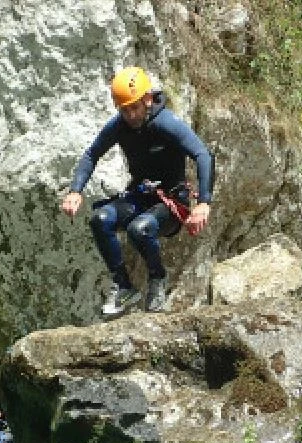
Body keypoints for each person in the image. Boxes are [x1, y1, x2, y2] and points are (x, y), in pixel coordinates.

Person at [60, 66, 214, 316]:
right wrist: (76, 190)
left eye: (135, 108)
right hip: (141, 196)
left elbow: (203, 154)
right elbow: (91, 154)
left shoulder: (165, 123)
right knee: (100, 220)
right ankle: (123, 286)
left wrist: (204, 203)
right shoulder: (120, 126)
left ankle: (157, 279)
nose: (130, 115)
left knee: (139, 229)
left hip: (172, 203)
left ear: (148, 100)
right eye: (124, 109)